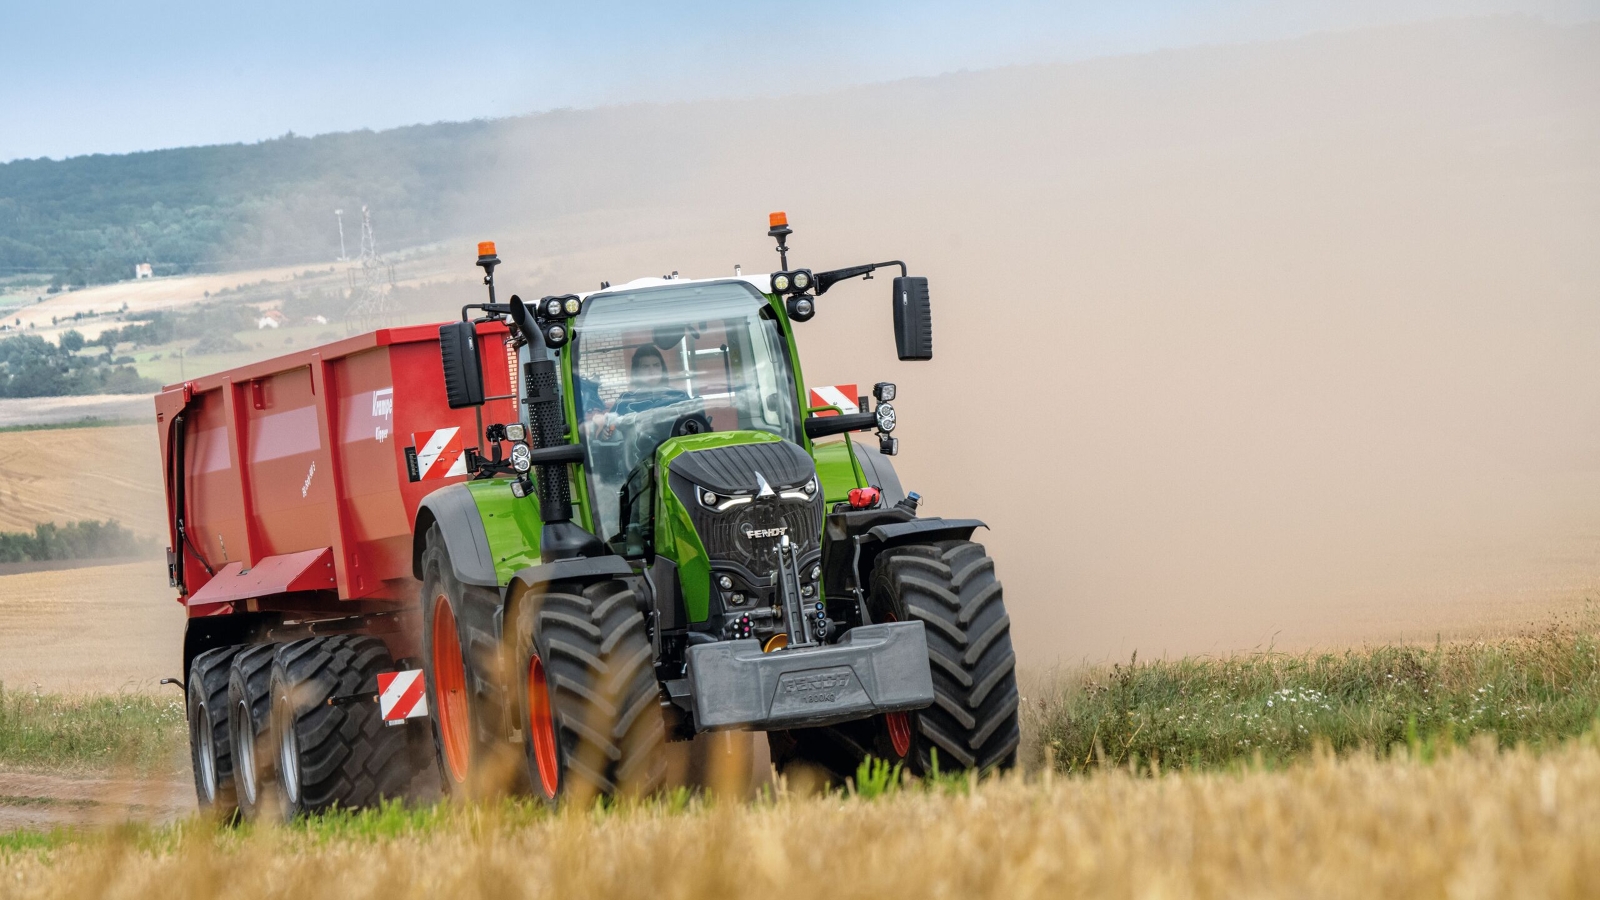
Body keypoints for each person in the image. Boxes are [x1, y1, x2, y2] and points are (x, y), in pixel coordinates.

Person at [611, 345, 690, 417]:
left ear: (663, 369)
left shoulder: (679, 395)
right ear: (636, 371)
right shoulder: (626, 399)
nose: (652, 372)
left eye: (656, 365)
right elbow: (610, 426)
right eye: (645, 367)